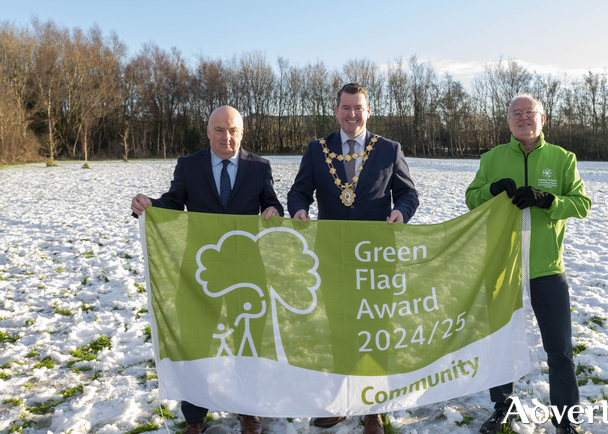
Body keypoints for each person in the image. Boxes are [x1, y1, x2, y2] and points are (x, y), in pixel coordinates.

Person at [131, 106, 283, 434]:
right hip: (199, 271)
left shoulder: (260, 166)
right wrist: (150, 205)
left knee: (248, 342)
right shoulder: (190, 165)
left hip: (247, 272)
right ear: (208, 131)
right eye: (219, 130)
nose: (226, 137)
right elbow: (173, 202)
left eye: (233, 131)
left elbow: (272, 203)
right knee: (196, 343)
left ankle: (247, 411)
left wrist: (273, 208)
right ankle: (195, 418)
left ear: (241, 133)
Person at [287, 83, 419, 434]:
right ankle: (342, 400)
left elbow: (408, 193)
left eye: (358, 108)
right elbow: (300, 190)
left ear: (368, 110)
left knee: (375, 330)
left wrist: (400, 213)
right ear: (336, 111)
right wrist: (299, 209)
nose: (351, 114)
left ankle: (373, 409)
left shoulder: (389, 149)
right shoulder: (317, 150)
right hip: (333, 257)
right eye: (345, 108)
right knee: (339, 328)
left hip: (376, 259)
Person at [465, 94, 591, 434]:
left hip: (546, 269)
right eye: (516, 114)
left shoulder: (562, 159)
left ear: (542, 118)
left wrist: (547, 199)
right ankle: (502, 406)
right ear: (507, 122)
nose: (523, 118)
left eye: (529, 112)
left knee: (560, 350)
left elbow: (581, 204)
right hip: (502, 268)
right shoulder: (492, 158)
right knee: (501, 343)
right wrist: (491, 189)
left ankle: (566, 418)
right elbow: (471, 199)